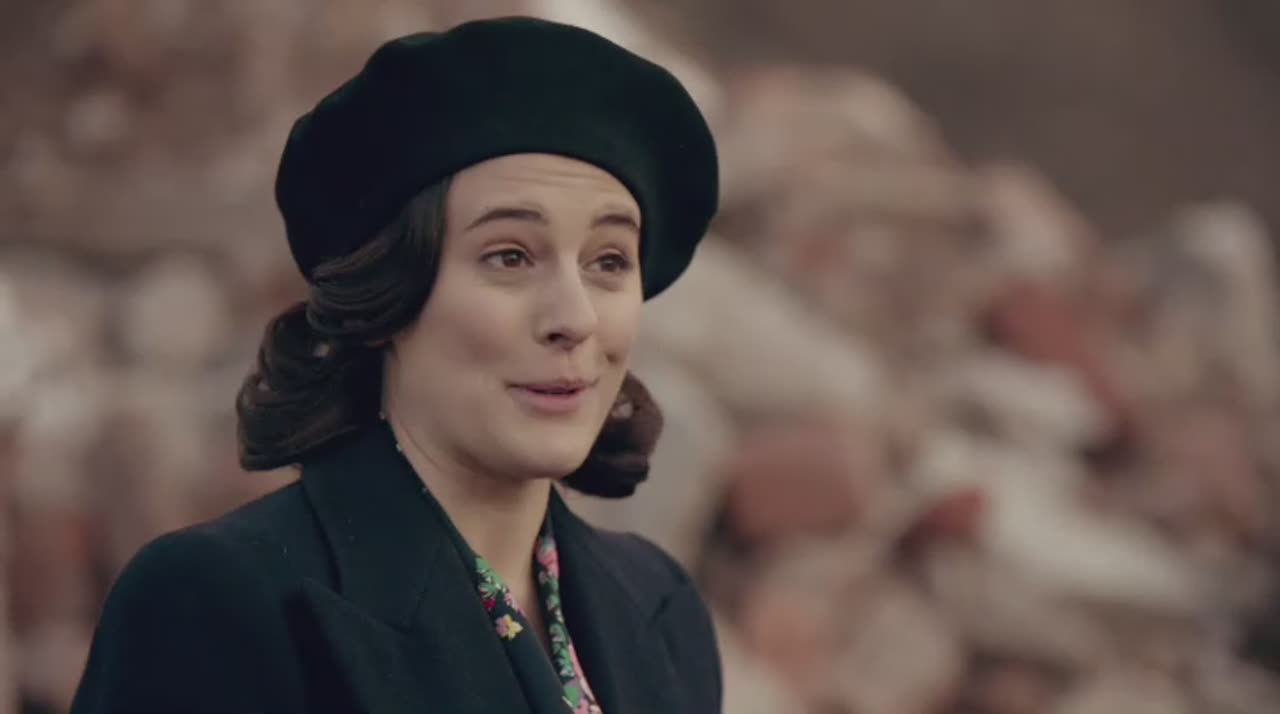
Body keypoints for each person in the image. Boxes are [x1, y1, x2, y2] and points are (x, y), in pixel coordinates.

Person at [69, 16, 722, 714]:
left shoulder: (661, 609)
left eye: (609, 261)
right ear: (388, 297)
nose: (576, 317)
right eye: (510, 256)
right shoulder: (221, 604)